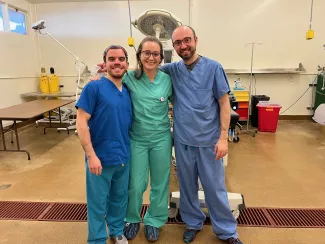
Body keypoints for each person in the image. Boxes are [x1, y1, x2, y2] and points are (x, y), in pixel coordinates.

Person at [159, 25, 243, 244]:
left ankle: (227, 231)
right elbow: (146, 68)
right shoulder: (173, 70)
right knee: (187, 187)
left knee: (215, 188)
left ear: (196, 39)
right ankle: (193, 223)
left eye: (187, 40)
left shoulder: (214, 67)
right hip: (183, 141)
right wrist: (103, 74)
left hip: (209, 141)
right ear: (174, 46)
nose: (183, 46)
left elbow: (224, 104)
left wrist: (223, 137)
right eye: (177, 43)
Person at [94, 36, 173, 242]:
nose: (151, 57)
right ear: (139, 55)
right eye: (146, 53)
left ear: (161, 57)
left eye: (155, 54)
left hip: (161, 139)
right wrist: (97, 77)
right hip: (136, 139)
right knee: (136, 184)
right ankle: (131, 218)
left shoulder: (167, 80)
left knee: (160, 182)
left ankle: (154, 220)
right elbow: (110, 81)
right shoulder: (129, 77)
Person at [75, 45, 132, 244]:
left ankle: (116, 230)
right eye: (112, 59)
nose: (117, 62)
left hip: (123, 155)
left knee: (119, 198)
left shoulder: (127, 90)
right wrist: (91, 155)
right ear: (105, 63)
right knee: (97, 202)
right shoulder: (94, 87)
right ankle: (97, 239)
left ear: (127, 63)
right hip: (99, 157)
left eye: (121, 59)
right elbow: (81, 121)